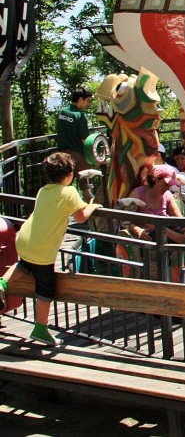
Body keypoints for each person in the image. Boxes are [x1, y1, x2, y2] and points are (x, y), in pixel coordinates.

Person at [0, 152, 100, 345]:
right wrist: (93, 206)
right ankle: (40, 328)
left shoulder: (43, 190)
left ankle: (2, 283)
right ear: (70, 174)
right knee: (45, 288)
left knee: (24, 264)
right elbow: (81, 217)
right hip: (42, 249)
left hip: (25, 240)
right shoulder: (69, 192)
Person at [126, 164, 185, 243]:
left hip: (165, 233)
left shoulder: (167, 195)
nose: (167, 188)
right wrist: (137, 229)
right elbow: (125, 219)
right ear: (155, 179)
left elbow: (179, 220)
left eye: (169, 186)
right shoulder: (137, 194)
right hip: (146, 237)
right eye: (165, 184)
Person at [55, 87, 93, 197]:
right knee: (86, 187)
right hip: (79, 155)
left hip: (63, 155)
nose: (87, 104)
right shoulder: (80, 116)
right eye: (87, 101)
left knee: (63, 187)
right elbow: (84, 140)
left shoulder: (62, 112)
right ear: (80, 99)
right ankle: (89, 211)